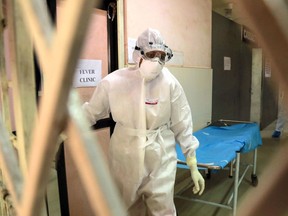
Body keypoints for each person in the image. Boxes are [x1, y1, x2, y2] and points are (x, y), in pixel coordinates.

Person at [82, 28, 205, 215]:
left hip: (160, 155)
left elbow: (183, 123)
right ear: (138, 54)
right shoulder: (113, 82)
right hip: (125, 154)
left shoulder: (170, 84)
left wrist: (193, 163)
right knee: (125, 208)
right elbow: (90, 113)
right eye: (151, 54)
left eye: (161, 56)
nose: (156, 61)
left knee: (163, 210)